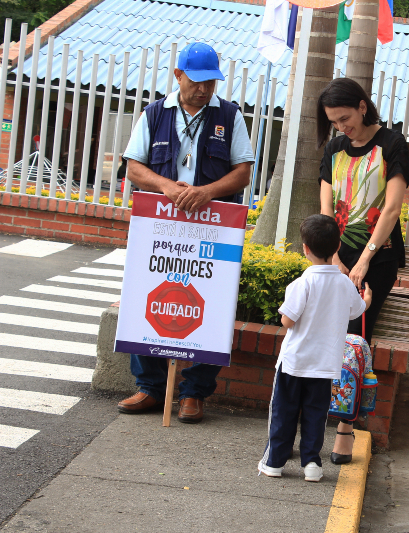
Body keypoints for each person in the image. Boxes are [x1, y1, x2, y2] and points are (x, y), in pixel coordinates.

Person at [117, 42, 255, 423]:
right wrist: (165, 185)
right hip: (160, 226)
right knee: (149, 296)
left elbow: (243, 171)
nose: (204, 89)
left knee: (210, 304)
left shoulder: (230, 116)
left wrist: (206, 192)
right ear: (178, 76)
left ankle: (194, 394)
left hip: (213, 227)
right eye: (197, 82)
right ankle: (150, 388)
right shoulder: (154, 114)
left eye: (211, 82)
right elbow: (133, 168)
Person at [316, 77, 409, 465]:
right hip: (335, 257)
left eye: (345, 118)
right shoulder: (335, 147)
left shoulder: (392, 144)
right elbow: (326, 209)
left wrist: (363, 260)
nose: (342, 127)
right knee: (325, 334)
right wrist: (334, 257)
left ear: (361, 105)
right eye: (334, 122)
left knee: (356, 338)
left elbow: (391, 209)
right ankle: (313, 413)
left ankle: (345, 428)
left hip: (377, 257)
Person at [257, 214, 372, 482]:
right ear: (337, 246)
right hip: (324, 366)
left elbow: (287, 321)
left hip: (294, 363)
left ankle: (274, 462)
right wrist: (366, 299)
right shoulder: (344, 284)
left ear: (305, 248)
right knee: (315, 415)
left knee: (283, 413)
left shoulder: (302, 283)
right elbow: (357, 310)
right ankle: (312, 464)